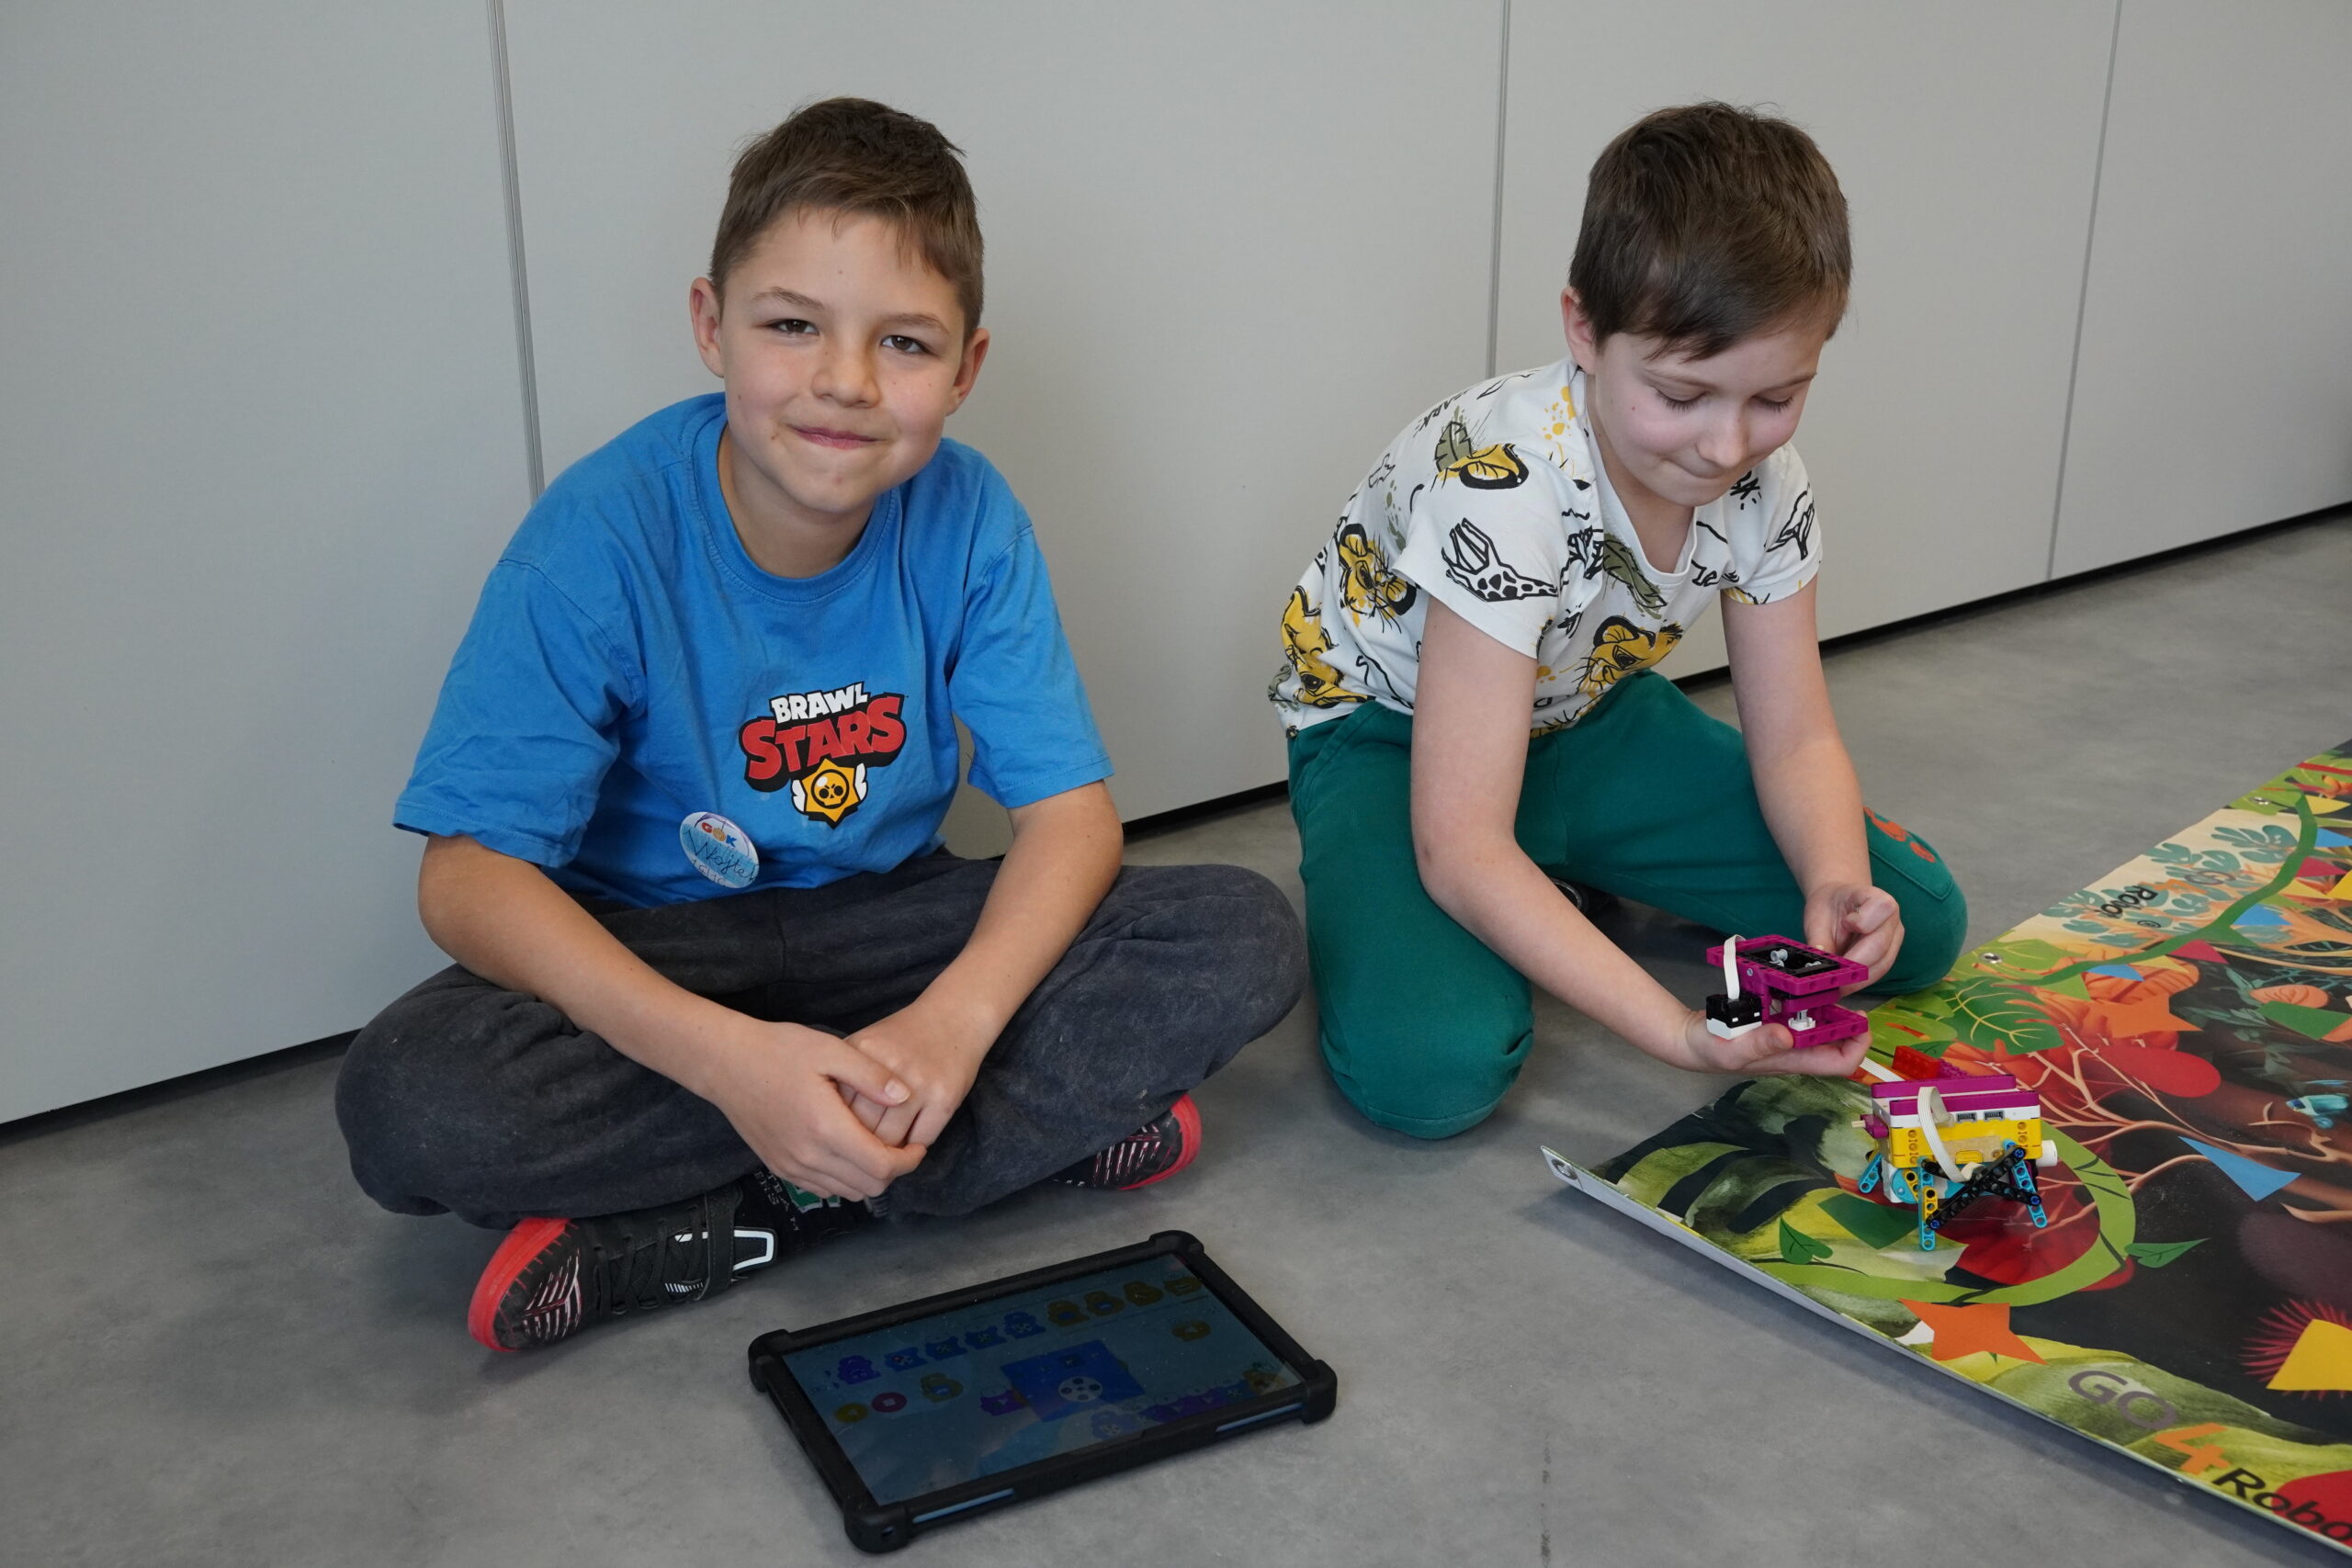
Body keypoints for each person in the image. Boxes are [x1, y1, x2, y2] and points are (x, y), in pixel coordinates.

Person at [337, 98, 1305, 1351]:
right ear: (711, 325)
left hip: (889, 923)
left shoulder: (972, 517)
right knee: (411, 1093)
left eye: (904, 342)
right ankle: (977, 1137)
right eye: (792, 325)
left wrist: (950, 1027)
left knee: (1238, 933)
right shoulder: (596, 537)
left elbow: (1070, 819)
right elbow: (468, 876)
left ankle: (752, 1207)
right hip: (667, 949)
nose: (845, 381)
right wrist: (730, 1063)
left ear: (965, 368)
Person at [1270, 102, 1964, 1139]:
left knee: (1915, 925)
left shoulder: (1767, 482)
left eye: (1775, 398)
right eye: (1681, 396)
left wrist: (1835, 880)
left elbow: (1796, 736)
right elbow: (1461, 845)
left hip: (1581, 714)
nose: (1725, 446)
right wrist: (1678, 1031)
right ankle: (1464, 885)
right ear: (1585, 329)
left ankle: (1561, 871)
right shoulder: (1506, 490)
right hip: (1388, 738)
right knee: (1432, 1069)